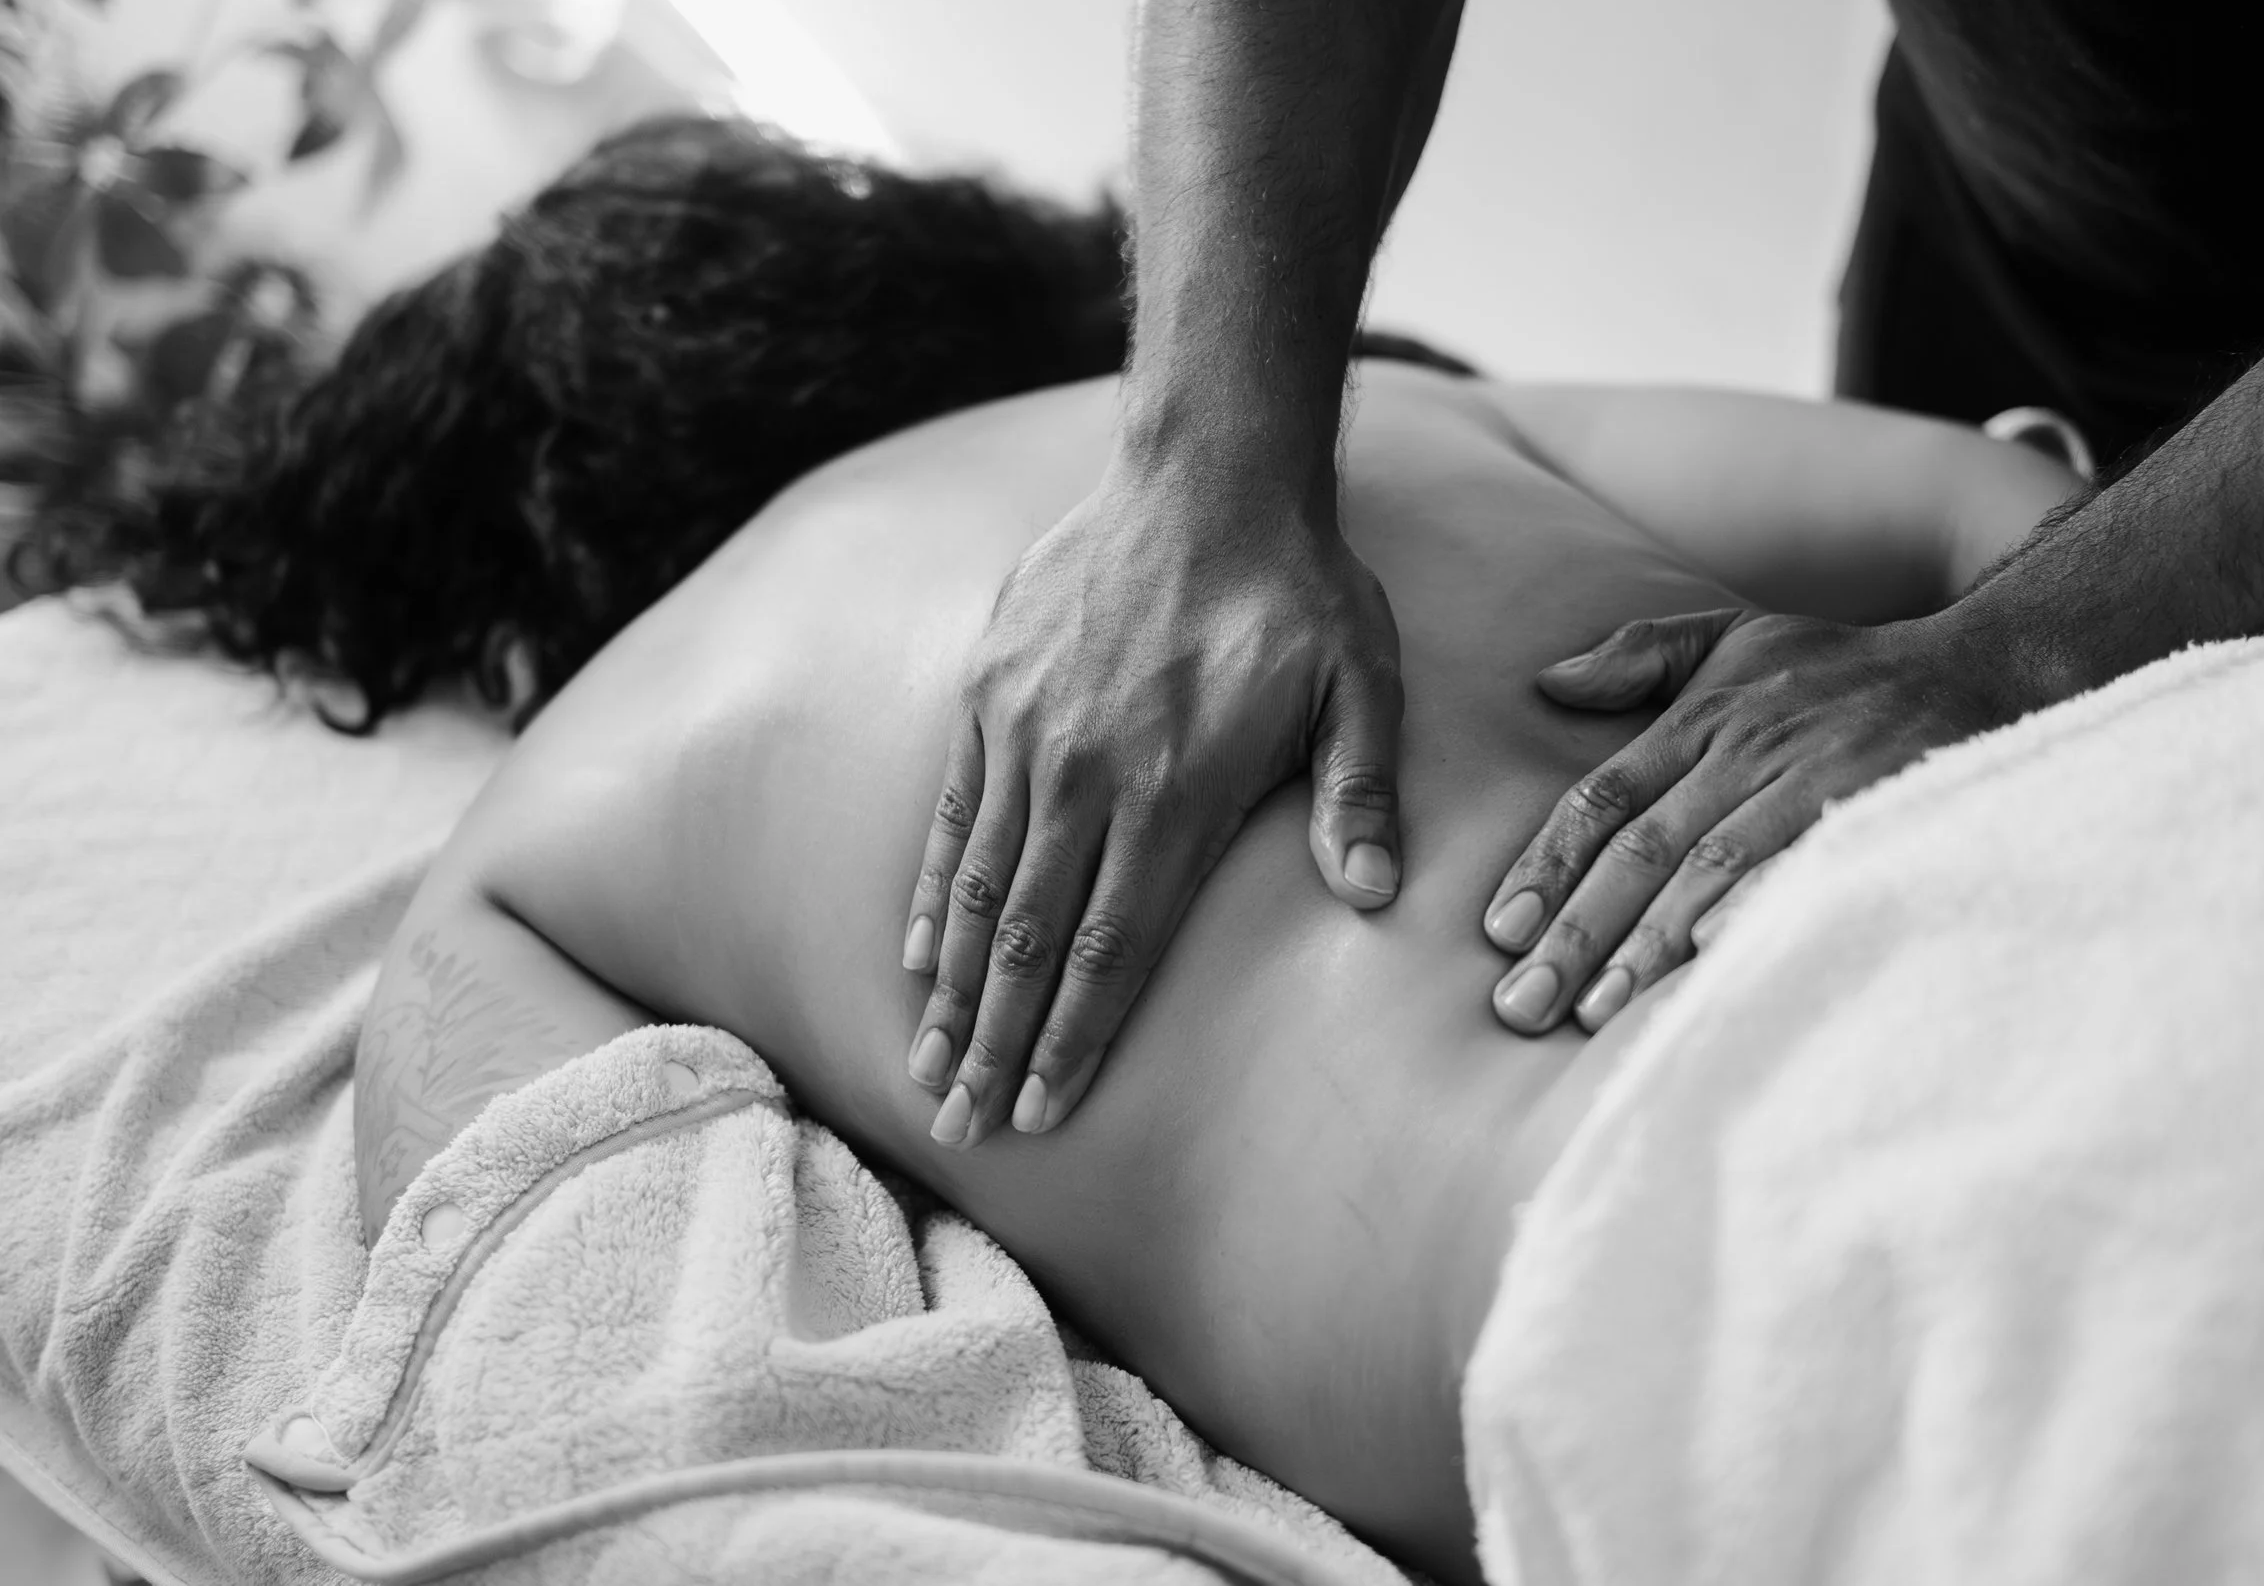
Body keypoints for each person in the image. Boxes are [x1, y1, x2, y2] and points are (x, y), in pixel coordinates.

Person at [350, 359, 2078, 1586]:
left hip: (1755, 1305)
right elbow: (1993, 502)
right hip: (2168, 843)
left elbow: (581, 1436)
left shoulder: (552, 832)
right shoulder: (1393, 405)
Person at [912, 0, 2264, 1142]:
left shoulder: (673, 725)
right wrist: (1208, 453)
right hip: (2022, 215)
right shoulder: (1390, 443)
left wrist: (2034, 641)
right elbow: (1970, 509)